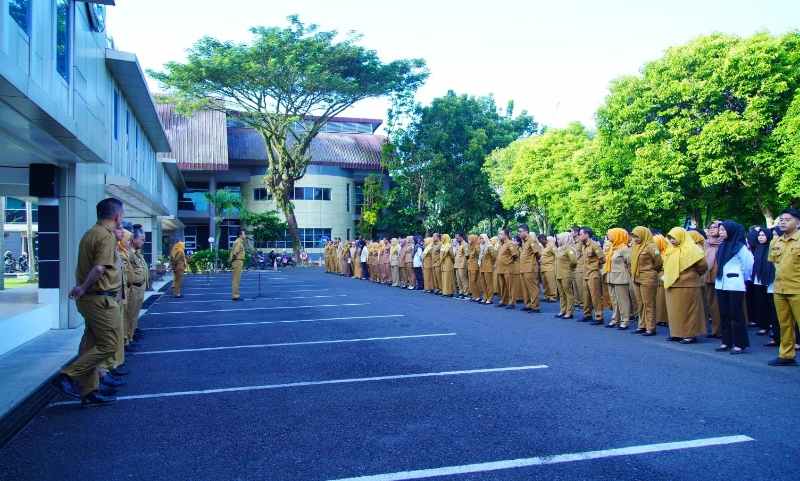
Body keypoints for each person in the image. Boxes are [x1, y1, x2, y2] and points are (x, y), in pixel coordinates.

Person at [54, 198, 126, 407]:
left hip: (93, 298)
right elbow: (99, 268)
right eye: (123, 214)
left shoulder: (91, 232)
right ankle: (68, 375)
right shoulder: (106, 236)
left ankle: (89, 391)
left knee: (90, 346)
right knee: (110, 344)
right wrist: (82, 288)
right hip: (99, 298)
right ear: (116, 216)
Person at [714, 221, 753, 354]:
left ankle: (740, 344)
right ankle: (726, 341)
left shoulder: (740, 247)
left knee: (736, 315)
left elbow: (749, 264)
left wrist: (742, 277)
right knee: (724, 314)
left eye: (724, 230)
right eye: (721, 230)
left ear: (731, 231)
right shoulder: (722, 246)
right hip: (721, 283)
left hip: (735, 284)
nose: (721, 233)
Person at [663, 227, 708, 344]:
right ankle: (676, 333)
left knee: (689, 311)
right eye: (670, 238)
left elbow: (702, 266)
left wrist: (692, 275)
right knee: (675, 312)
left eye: (674, 238)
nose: (672, 240)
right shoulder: (670, 249)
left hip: (689, 285)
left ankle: (689, 335)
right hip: (672, 284)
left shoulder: (693, 249)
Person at [768, 208, 800, 366]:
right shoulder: (776, 241)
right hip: (780, 289)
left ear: (798, 223)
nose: (782, 222)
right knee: (785, 324)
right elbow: (774, 263)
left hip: (798, 289)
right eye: (781, 219)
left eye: (787, 219)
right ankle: (786, 355)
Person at [630, 226, 662, 336]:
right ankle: (642, 325)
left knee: (648, 303)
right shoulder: (635, 246)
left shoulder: (651, 246)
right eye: (633, 236)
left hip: (648, 277)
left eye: (637, 236)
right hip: (636, 277)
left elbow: (658, 262)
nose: (635, 238)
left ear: (644, 235)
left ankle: (651, 327)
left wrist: (651, 271)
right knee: (640, 303)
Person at [749, 227, 778, 343]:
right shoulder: (757, 248)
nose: (761, 237)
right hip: (758, 279)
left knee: (770, 304)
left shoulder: (771, 247)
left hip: (769, 279)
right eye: (759, 235)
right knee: (760, 303)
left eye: (763, 235)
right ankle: (763, 325)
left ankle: (772, 325)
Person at [605, 228, 633, 330]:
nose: (609, 237)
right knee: (614, 300)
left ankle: (624, 320)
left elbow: (630, 263)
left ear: (618, 236)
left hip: (621, 278)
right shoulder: (613, 247)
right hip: (611, 276)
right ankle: (615, 319)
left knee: (622, 301)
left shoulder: (624, 248)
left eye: (611, 235)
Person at [579, 228, 605, 324]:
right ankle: (587, 314)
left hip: (593, 273)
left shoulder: (594, 245)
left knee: (595, 296)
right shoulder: (584, 246)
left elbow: (602, 259)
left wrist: (595, 266)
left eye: (581, 234)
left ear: (586, 234)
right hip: (586, 273)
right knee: (586, 296)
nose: (579, 236)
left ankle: (599, 317)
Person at [703, 221, 723, 337]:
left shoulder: (724, 242)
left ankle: (723, 330)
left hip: (721, 277)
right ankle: (716, 330)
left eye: (715, 227)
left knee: (720, 304)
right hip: (708, 276)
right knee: (712, 304)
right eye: (710, 227)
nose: (711, 229)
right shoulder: (707, 243)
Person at [517, 224, 542, 313]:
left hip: (530, 268)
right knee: (525, 288)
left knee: (532, 288)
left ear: (526, 232)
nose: (518, 233)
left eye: (520, 231)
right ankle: (528, 304)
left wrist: (534, 264)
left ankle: (535, 306)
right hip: (523, 268)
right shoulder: (524, 242)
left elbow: (538, 253)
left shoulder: (532, 240)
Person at [554, 232, 578, 319]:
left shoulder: (569, 248)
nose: (557, 240)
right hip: (559, 273)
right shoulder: (559, 249)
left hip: (566, 274)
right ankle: (562, 310)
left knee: (568, 293)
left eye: (559, 239)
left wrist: (569, 268)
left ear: (565, 239)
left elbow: (574, 261)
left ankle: (569, 312)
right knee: (561, 294)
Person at [495, 228, 518, 309]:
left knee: (510, 286)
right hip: (501, 268)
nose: (499, 235)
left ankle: (512, 302)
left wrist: (508, 262)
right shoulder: (502, 244)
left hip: (508, 268)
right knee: (503, 286)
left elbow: (515, 255)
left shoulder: (510, 243)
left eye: (501, 234)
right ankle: (504, 301)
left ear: (506, 235)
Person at [478, 234, 496, 304]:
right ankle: (485, 297)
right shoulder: (481, 246)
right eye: (480, 238)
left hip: (488, 267)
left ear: (485, 239)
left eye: (482, 238)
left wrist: (491, 263)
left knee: (489, 283)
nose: (481, 240)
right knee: (483, 283)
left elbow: (494, 256)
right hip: (482, 266)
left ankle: (490, 298)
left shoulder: (489, 246)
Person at [229, 230, 247, 301]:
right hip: (237, 261)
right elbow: (234, 253)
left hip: (237, 261)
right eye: (244, 234)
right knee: (236, 280)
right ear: (240, 235)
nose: (245, 235)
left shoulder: (239, 241)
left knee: (236, 279)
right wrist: (233, 260)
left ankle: (236, 295)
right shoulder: (238, 242)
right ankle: (235, 296)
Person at [540, 235, 558, 302]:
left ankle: (553, 296)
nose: (540, 242)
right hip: (543, 267)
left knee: (551, 283)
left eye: (541, 241)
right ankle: (547, 296)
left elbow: (557, 254)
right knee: (545, 283)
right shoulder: (543, 247)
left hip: (550, 267)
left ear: (543, 239)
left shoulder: (551, 246)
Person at [466, 234, 482, 302]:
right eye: (468, 239)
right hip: (470, 265)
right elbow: (467, 255)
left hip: (475, 265)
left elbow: (479, 254)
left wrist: (475, 248)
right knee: (471, 281)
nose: (469, 240)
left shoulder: (477, 246)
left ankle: (477, 296)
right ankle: (473, 295)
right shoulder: (469, 246)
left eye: (470, 239)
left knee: (474, 281)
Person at [454, 234, 469, 299]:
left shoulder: (465, 244)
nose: (456, 239)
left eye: (457, 238)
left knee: (463, 279)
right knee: (458, 279)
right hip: (457, 264)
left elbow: (467, 255)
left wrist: (464, 263)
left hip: (462, 264)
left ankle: (466, 292)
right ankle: (461, 292)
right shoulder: (458, 244)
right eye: (456, 238)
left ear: (461, 237)